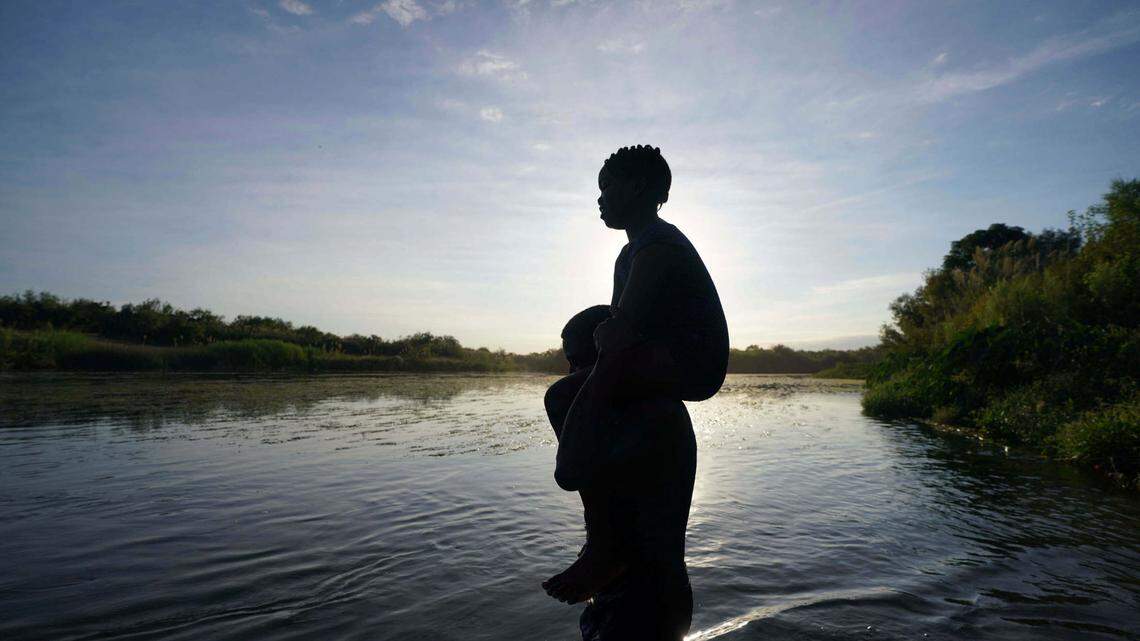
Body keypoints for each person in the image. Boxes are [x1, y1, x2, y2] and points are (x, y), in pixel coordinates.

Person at [542, 145, 730, 640]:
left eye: (608, 187)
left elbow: (620, 333)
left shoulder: (656, 247)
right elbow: (616, 325)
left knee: (562, 398)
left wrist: (588, 390)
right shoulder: (634, 249)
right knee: (574, 396)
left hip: (686, 364)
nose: (600, 199)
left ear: (639, 189)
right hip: (662, 363)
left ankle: (603, 548)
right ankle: (602, 548)